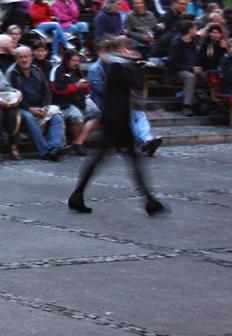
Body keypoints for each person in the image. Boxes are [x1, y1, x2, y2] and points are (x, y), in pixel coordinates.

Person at [68, 37, 165, 216]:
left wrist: (134, 63)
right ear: (119, 50)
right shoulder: (117, 67)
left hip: (119, 118)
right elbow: (134, 82)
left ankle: (149, 200)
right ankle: (149, 200)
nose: (130, 51)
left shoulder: (120, 65)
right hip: (115, 120)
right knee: (111, 160)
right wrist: (135, 63)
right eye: (126, 48)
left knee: (113, 160)